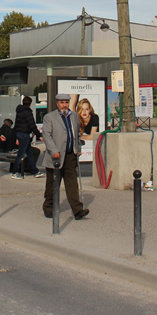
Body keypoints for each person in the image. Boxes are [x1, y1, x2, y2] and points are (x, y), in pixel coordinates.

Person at [41, 93, 89, 221]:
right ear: (57, 103)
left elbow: (77, 134)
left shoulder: (73, 116)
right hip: (55, 156)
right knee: (52, 184)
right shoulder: (49, 117)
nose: (64, 105)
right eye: (62, 102)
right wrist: (53, 150)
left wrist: (78, 148)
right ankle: (48, 207)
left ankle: (77, 210)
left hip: (70, 155)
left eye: (66, 102)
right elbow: (47, 135)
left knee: (72, 183)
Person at [11, 96, 43, 179]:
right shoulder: (27, 112)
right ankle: (15, 172)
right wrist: (39, 135)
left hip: (20, 134)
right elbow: (32, 125)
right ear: (30, 103)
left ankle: (35, 171)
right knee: (21, 154)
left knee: (29, 154)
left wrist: (16, 137)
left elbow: (16, 125)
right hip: (25, 135)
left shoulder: (19, 111)